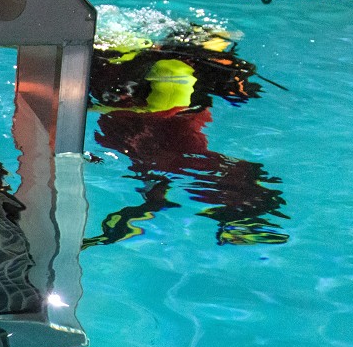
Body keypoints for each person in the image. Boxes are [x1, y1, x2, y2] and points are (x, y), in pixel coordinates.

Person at [87, 25, 287, 246]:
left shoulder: (173, 152)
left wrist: (148, 205)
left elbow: (156, 173)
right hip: (160, 116)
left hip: (158, 121)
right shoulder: (169, 98)